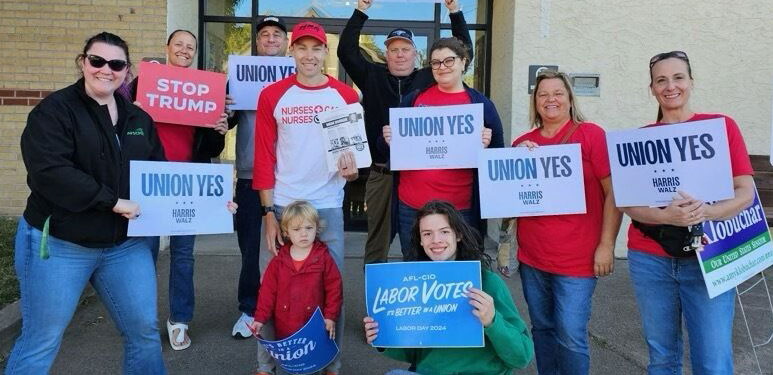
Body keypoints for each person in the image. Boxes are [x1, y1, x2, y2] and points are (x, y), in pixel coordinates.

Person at [5, 32, 167, 374]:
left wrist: (206, 207)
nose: (106, 70)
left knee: (145, 333)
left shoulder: (138, 120)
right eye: (97, 61)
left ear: (127, 71)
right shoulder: (54, 111)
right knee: (42, 339)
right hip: (62, 243)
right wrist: (112, 201)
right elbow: (50, 173)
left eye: (116, 64)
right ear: (83, 62)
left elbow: (159, 176)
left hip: (124, 245)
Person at [621, 51, 754, 375]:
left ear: (691, 82)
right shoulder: (640, 139)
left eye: (678, 77)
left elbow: (745, 192)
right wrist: (668, 217)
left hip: (708, 256)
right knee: (662, 357)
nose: (670, 86)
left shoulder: (721, 127)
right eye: (661, 80)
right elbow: (627, 204)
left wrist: (707, 212)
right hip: (650, 258)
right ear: (651, 88)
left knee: (712, 360)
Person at [253, 20, 360, 375]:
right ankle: (266, 366)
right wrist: (268, 212)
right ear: (292, 51)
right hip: (283, 204)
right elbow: (264, 157)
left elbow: (355, 160)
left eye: (316, 48)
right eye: (302, 48)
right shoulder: (273, 95)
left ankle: (331, 363)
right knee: (271, 288)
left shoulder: (345, 96)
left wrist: (353, 171)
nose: (309, 55)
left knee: (333, 290)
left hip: (327, 206)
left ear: (325, 52)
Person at [338, 0, 473, 266]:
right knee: (377, 244)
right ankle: (375, 306)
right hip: (383, 174)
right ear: (386, 55)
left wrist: (455, 13)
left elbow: (462, 52)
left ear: (415, 54)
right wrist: (360, 11)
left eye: (405, 49)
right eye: (394, 50)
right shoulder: (371, 75)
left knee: (425, 242)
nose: (399, 54)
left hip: (420, 176)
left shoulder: (429, 77)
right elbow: (346, 51)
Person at [512, 70, 622, 375]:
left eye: (558, 93)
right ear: (535, 102)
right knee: (543, 330)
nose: (551, 100)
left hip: (578, 260)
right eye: (543, 94)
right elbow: (508, 205)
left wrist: (607, 245)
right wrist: (514, 161)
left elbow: (615, 194)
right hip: (533, 258)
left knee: (571, 336)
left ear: (570, 99)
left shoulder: (591, 135)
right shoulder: (522, 144)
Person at [130, 29, 230, 351]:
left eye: (190, 47)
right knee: (142, 255)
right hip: (150, 180)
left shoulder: (205, 91)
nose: (185, 50)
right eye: (179, 45)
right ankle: (141, 322)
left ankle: (180, 320)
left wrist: (220, 128)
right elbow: (126, 130)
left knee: (183, 255)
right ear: (167, 48)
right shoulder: (143, 84)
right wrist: (135, 108)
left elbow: (213, 146)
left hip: (188, 183)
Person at [362, 200, 534, 375]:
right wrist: (383, 338)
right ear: (420, 241)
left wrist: (493, 321)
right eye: (427, 234)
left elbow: (522, 357)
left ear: (458, 235)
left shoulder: (488, 282)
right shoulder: (416, 287)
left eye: (444, 232)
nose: (436, 240)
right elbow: (416, 353)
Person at [380, 37, 503, 257]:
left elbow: (498, 159)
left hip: (460, 209)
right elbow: (385, 148)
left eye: (449, 60)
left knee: (462, 275)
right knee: (416, 272)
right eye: (436, 63)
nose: (442, 67)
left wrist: (485, 148)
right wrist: (388, 139)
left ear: (463, 62)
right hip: (412, 206)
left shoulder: (480, 105)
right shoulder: (414, 99)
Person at [228, 14, 290, 340]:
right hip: (252, 176)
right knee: (251, 247)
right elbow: (225, 122)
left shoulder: (299, 77)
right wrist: (223, 110)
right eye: (264, 35)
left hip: (291, 175)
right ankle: (249, 309)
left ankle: (286, 308)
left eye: (276, 35)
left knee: (289, 246)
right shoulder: (240, 77)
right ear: (257, 42)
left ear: (285, 43)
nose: (269, 39)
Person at [249, 200, 343, 356]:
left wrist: (330, 316)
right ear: (286, 232)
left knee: (313, 362)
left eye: (309, 228)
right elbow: (267, 292)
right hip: (286, 326)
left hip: (315, 326)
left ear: (317, 229)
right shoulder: (279, 261)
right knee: (294, 364)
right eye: (297, 229)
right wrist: (260, 318)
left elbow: (334, 290)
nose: (304, 233)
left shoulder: (323, 258)